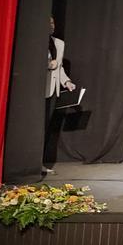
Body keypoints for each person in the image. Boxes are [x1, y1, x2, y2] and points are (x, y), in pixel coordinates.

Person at [44, 15, 77, 174]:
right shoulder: (34, 41)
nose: (51, 25)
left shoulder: (59, 43)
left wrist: (66, 82)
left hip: (52, 90)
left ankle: (40, 163)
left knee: (45, 128)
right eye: (48, 22)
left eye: (53, 22)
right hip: (37, 89)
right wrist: (49, 64)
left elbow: (59, 67)